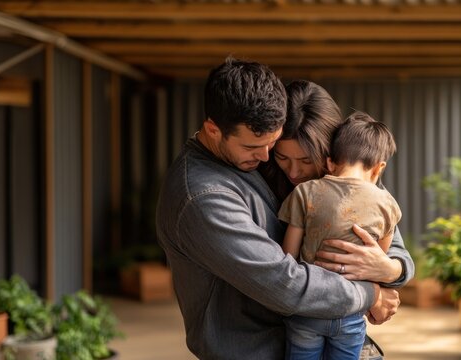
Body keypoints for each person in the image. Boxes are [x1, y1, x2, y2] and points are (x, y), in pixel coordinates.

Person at [156, 58, 404, 360]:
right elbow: (284, 283)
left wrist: (393, 270)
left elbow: (393, 244)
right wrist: (370, 295)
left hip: (332, 336)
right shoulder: (204, 196)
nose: (265, 157)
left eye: (271, 145)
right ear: (213, 130)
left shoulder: (330, 170)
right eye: (253, 147)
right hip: (258, 350)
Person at [278, 112, 402, 359]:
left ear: (330, 162)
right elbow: (379, 260)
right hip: (350, 313)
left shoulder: (305, 192)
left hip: (307, 311)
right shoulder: (387, 204)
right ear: (379, 168)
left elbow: (287, 258)